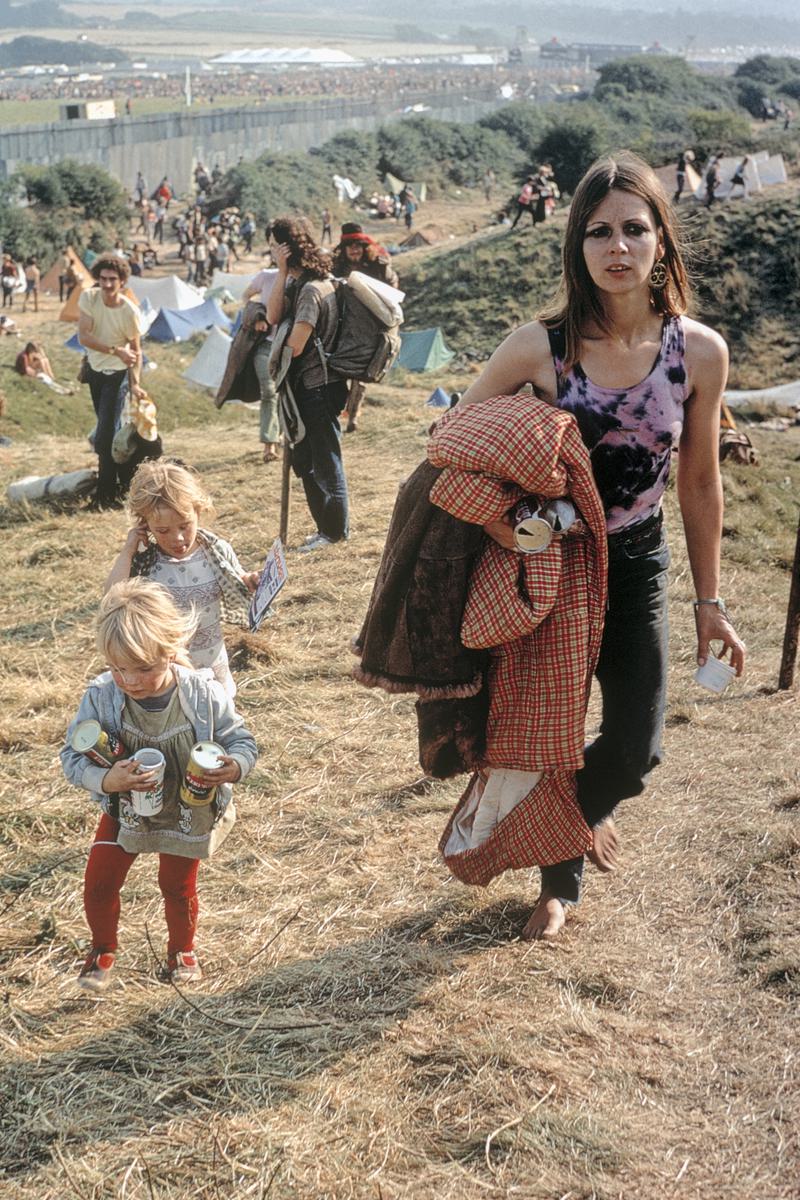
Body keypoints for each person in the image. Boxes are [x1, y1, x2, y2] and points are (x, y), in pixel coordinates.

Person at [452, 151, 745, 941]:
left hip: (639, 561)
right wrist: (501, 524)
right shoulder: (539, 348)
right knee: (548, 732)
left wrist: (709, 604)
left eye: (635, 229)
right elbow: (450, 444)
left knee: (637, 746)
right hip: (552, 564)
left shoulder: (699, 353)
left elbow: (699, 485)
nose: (618, 247)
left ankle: (567, 824)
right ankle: (560, 883)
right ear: (577, 246)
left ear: (661, 241)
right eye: (598, 232)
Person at [61, 577, 258, 993]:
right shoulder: (101, 696)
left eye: (144, 668)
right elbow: (70, 756)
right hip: (125, 809)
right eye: (119, 669)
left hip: (185, 809)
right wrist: (105, 778)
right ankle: (102, 949)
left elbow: (241, 739)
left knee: (177, 885)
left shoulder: (202, 694)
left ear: (170, 652)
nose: (130, 681)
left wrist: (235, 765)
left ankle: (182, 950)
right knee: (99, 882)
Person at [104, 461, 260, 696]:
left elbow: (237, 581)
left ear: (198, 512)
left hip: (212, 658)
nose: (177, 538)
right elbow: (112, 598)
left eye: (185, 526)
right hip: (168, 672)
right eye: (163, 531)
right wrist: (128, 551)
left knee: (218, 717)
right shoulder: (146, 565)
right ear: (145, 525)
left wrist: (250, 580)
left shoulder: (216, 552)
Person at [266, 216, 349, 552]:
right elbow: (273, 316)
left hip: (317, 387)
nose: (270, 251)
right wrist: (282, 272)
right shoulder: (298, 284)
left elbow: (297, 342)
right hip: (310, 387)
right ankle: (326, 529)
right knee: (308, 460)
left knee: (325, 460)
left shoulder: (313, 290)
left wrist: (277, 356)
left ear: (287, 247)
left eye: (274, 244)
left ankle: (334, 533)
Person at [77, 253, 145, 510]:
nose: (106, 284)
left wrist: (136, 383)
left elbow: (137, 352)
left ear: (122, 281)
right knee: (109, 430)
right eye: (102, 279)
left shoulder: (129, 312)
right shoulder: (89, 298)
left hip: (119, 376)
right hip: (96, 370)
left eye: (112, 280)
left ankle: (105, 495)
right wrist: (116, 350)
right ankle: (124, 484)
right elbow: (84, 336)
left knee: (105, 435)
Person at [331, 223, 400, 433]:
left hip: (371, 327)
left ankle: (353, 417)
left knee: (362, 375)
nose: (354, 250)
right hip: (344, 327)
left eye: (358, 246)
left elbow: (392, 287)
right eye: (350, 246)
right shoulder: (335, 268)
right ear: (343, 249)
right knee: (340, 371)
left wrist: (385, 269)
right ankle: (338, 412)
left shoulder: (376, 265)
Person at [237, 265, 281, 462]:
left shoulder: (299, 277)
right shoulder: (266, 276)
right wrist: (256, 317)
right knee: (269, 393)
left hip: (289, 345)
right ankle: (269, 444)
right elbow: (246, 297)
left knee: (285, 394)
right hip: (264, 346)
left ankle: (284, 437)